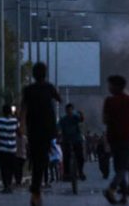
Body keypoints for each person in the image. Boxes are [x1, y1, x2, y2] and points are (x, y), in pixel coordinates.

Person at [21, 62, 62, 206]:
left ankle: (35, 192)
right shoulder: (49, 87)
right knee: (42, 160)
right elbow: (60, 99)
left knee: (37, 159)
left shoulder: (28, 89)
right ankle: (35, 192)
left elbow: (23, 109)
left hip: (33, 129)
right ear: (45, 73)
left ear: (33, 74)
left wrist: (22, 126)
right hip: (47, 129)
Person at [102, 75, 129, 204]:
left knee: (118, 167)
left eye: (110, 85)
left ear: (117, 86)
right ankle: (112, 188)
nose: (109, 87)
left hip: (113, 138)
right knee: (124, 167)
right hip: (127, 138)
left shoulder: (109, 101)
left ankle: (124, 196)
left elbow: (104, 120)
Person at [57, 103, 86, 181]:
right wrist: (58, 135)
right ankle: (66, 174)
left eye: (70, 110)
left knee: (80, 156)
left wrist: (81, 115)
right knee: (66, 156)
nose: (69, 111)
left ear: (72, 110)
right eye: (68, 110)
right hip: (66, 140)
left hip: (76, 139)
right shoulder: (63, 119)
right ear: (66, 111)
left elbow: (81, 119)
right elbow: (58, 127)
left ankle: (81, 172)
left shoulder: (75, 117)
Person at [0, 104, 19, 193]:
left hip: (1, 149)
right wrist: (16, 115)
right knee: (11, 168)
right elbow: (20, 133)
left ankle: (6, 186)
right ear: (11, 111)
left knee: (3, 168)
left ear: (3, 111)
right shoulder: (15, 121)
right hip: (12, 149)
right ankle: (9, 184)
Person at [14, 115, 28, 187]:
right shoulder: (16, 137)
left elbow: (27, 146)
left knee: (19, 169)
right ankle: (18, 181)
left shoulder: (24, 138)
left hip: (22, 155)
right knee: (18, 169)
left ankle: (18, 181)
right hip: (18, 155)